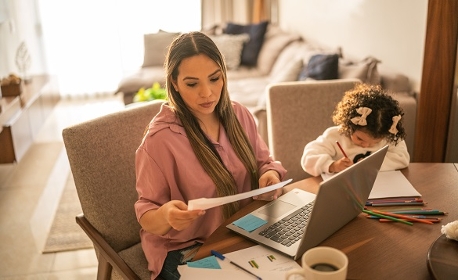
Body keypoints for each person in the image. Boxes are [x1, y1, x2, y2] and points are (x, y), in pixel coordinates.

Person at [134, 31, 287, 280]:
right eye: (192, 84)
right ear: (174, 83)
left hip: (241, 231)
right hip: (186, 248)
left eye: (214, 79)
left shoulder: (240, 115)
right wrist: (166, 215)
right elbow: (146, 213)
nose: (207, 93)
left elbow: (265, 162)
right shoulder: (159, 141)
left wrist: (268, 174)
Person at [301, 83, 410, 177]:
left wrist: (370, 165)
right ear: (350, 125)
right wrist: (332, 166)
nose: (365, 145)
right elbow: (308, 158)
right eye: (360, 138)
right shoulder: (335, 135)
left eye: (375, 142)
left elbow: (402, 158)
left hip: (378, 188)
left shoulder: (388, 136)